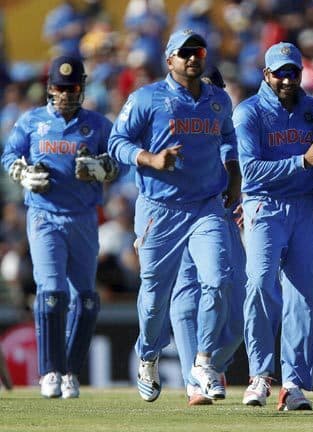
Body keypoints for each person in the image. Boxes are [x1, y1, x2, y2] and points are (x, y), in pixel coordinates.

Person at [107, 29, 240, 403]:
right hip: (160, 210)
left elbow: (228, 138)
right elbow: (116, 142)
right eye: (185, 52)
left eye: (199, 51)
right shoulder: (146, 98)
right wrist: (150, 159)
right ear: (170, 60)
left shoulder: (218, 99)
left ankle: (203, 362)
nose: (194, 57)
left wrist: (233, 175)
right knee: (154, 298)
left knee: (218, 279)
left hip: (206, 206)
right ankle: (148, 355)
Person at [1, 55, 118, 398]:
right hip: (44, 216)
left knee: (87, 299)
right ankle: (50, 371)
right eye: (61, 88)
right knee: (52, 292)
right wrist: (24, 174)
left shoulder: (97, 124)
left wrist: (102, 168)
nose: (66, 94)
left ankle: (70, 373)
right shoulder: (31, 121)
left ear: (82, 88)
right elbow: (9, 156)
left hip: (83, 218)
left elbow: (120, 161)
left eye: (73, 87)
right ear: (50, 88)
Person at [233, 42, 313, 411]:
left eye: (293, 72)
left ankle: (293, 384)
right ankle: (260, 375)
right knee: (260, 283)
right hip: (264, 206)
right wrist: (302, 162)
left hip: (307, 206)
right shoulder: (249, 112)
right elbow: (250, 171)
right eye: (279, 73)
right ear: (266, 74)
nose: (286, 79)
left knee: (305, 296)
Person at [168, 71, 245, 406]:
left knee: (238, 312)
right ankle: (195, 383)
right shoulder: (174, 121)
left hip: (224, 220)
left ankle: (212, 365)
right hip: (183, 219)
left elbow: (248, 166)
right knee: (186, 302)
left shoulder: (230, 125)